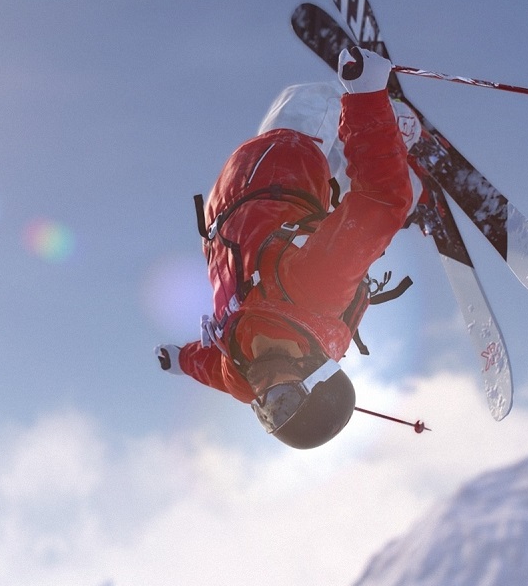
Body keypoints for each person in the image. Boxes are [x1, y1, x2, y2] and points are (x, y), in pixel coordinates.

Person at [156, 47, 415, 449]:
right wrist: (366, 97)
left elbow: (209, 368)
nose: (264, 399)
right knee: (308, 100)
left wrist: (178, 360)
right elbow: (381, 202)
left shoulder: (242, 376)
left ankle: (378, 135)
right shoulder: (313, 291)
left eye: (267, 416)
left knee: (331, 166)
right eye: (283, 401)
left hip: (229, 198)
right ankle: (390, 125)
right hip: (288, 159)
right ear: (313, 375)